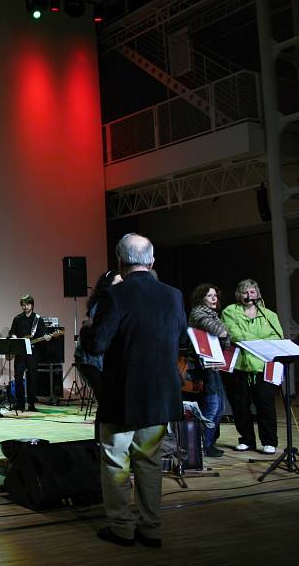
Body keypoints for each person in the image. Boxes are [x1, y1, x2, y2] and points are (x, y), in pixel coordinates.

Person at [80, 233, 186, 548]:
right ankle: (151, 528)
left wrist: (87, 331)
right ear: (151, 261)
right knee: (150, 462)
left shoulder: (115, 296)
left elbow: (97, 344)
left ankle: (122, 528)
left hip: (123, 395)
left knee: (115, 460)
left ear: (120, 262)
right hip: (161, 394)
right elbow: (178, 336)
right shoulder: (173, 295)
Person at [221, 279, 283, 455]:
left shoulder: (269, 315)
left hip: (263, 367)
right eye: (245, 292)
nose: (249, 296)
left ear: (258, 294)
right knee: (240, 406)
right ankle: (247, 440)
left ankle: (269, 441)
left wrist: (255, 341)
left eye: (252, 292)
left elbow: (278, 337)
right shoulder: (229, 311)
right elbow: (236, 335)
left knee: (265, 405)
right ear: (239, 295)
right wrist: (261, 341)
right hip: (238, 367)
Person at [188, 283, 229, 458]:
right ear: (201, 298)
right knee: (212, 406)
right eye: (209, 296)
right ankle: (202, 444)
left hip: (214, 365)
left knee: (219, 407)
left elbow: (225, 338)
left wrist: (225, 333)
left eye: (215, 295)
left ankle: (208, 443)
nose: (214, 299)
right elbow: (219, 332)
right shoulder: (198, 313)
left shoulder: (213, 315)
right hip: (202, 366)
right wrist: (225, 332)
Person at [74, 270, 122, 397]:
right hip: (90, 359)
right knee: (106, 397)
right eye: (118, 282)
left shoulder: (107, 303)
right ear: (108, 284)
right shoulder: (102, 303)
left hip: (95, 358)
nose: (122, 285)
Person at [8, 294, 47, 412]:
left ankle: (31, 404)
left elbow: (43, 334)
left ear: (32, 305)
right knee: (18, 377)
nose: (25, 307)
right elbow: (12, 332)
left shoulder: (38, 319)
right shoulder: (17, 318)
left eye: (27, 305)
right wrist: (14, 337)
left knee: (32, 377)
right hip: (20, 351)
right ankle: (20, 403)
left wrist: (46, 337)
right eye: (23, 305)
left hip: (33, 351)